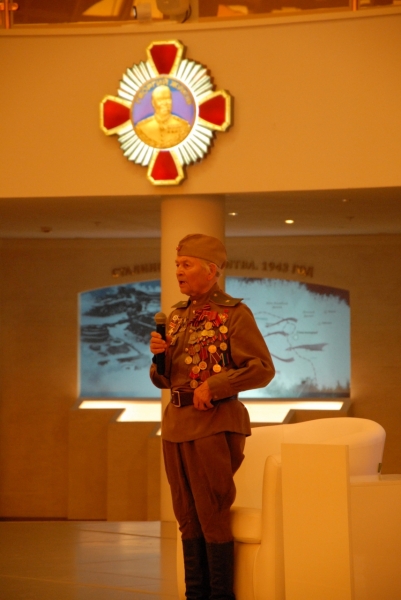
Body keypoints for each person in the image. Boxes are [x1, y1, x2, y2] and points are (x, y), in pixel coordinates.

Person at [149, 233, 275, 600]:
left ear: (211, 270)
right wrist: (159, 358)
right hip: (176, 425)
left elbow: (262, 368)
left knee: (212, 513)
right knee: (186, 517)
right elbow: (163, 379)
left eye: (186, 264)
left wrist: (216, 385)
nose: (178, 271)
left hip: (213, 424)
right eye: (177, 264)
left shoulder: (233, 313)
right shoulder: (176, 316)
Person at [135, 85, 191, 149]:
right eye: (160, 100)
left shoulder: (184, 126)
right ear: (153, 103)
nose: (165, 103)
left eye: (168, 99)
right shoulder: (141, 128)